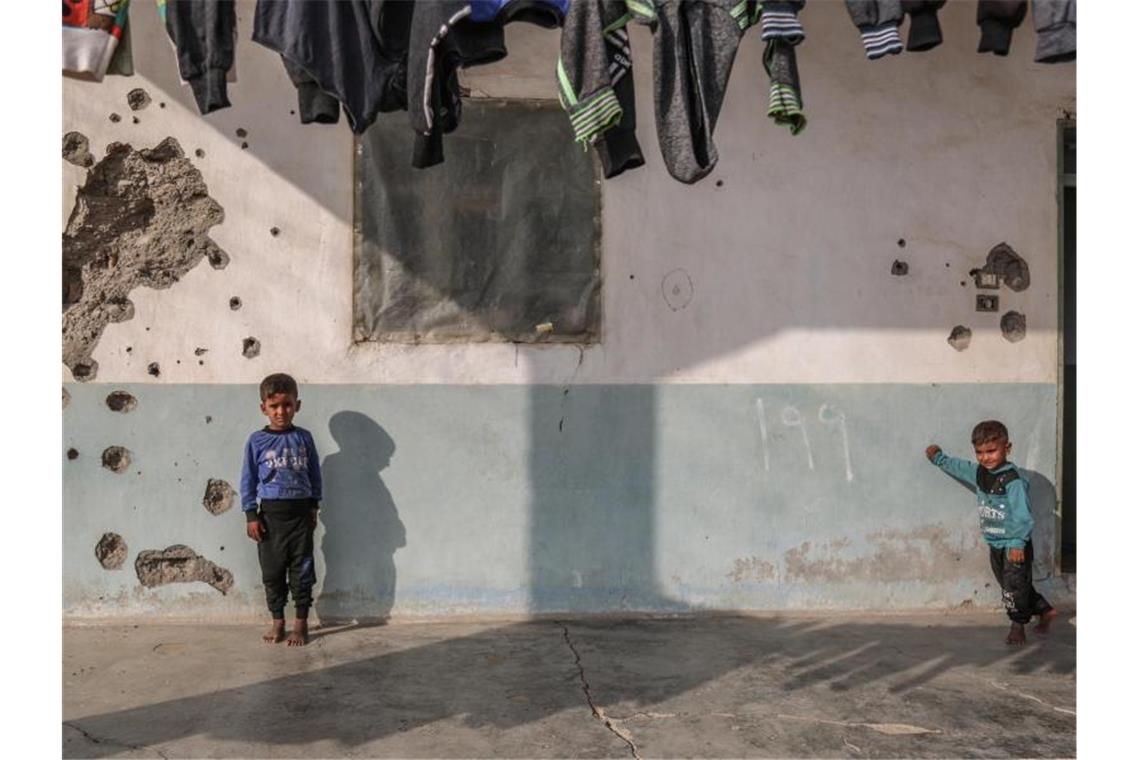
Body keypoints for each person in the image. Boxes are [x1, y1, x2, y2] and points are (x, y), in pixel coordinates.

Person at [926, 420, 1057, 645]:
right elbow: (958, 467)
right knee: (1011, 586)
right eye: (980, 452)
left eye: (992, 451)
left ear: (1007, 448)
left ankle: (1018, 626)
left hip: (1014, 545)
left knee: (1013, 588)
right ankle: (1044, 610)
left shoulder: (1012, 480)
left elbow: (1023, 515)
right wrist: (938, 458)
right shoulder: (979, 473)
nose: (986, 457)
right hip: (994, 542)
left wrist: (1017, 543)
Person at [240, 373, 322, 646]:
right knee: (272, 573)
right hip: (270, 519)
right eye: (274, 406)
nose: (281, 412)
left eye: (287, 405)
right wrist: (251, 514)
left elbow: (314, 474)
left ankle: (300, 625)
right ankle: (278, 622)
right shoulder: (256, 441)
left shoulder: (304, 438)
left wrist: (313, 505)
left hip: (300, 517)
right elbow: (248, 479)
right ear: (263, 407)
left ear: (297, 405)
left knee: (302, 571)